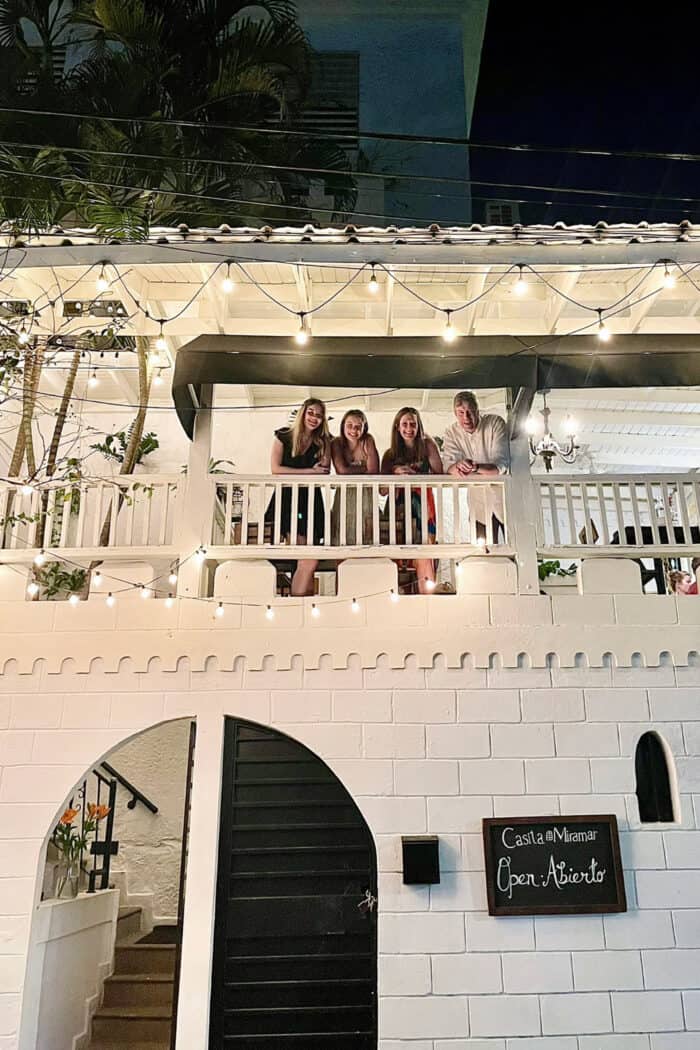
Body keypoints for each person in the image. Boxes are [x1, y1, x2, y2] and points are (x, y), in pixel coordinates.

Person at [265, 398, 331, 596]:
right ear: (303, 413)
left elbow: (325, 470)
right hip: (287, 498)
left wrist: (309, 472)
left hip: (310, 500)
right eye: (311, 412)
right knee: (303, 555)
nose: (314, 418)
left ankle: (301, 603)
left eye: (319, 415)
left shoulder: (323, 440)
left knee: (308, 557)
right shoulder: (284, 436)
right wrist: (310, 471)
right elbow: (276, 469)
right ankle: (298, 604)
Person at [381, 407, 443, 594]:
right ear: (397, 428)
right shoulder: (390, 455)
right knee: (396, 554)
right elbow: (382, 490)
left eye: (413, 424)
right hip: (397, 507)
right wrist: (395, 473)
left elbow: (440, 475)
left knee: (424, 552)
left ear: (418, 426)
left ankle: (427, 601)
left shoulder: (427, 446)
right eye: (405, 424)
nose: (409, 428)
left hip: (423, 505)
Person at [442, 390, 509, 541]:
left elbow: (500, 467)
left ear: (477, 410)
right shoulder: (451, 433)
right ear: (455, 414)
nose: (466, 417)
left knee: (515, 547)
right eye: (461, 413)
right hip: (478, 502)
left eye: (470, 412)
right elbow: (448, 468)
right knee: (482, 551)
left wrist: (474, 468)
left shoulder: (494, 423)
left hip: (506, 499)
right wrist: (458, 465)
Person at [330, 409, 380, 545]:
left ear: (364, 428)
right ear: (343, 425)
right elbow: (342, 471)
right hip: (345, 493)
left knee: (367, 531)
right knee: (342, 531)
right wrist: (364, 468)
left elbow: (374, 471)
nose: (354, 429)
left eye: (358, 426)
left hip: (366, 493)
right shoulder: (336, 443)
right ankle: (340, 565)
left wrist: (353, 469)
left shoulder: (368, 440)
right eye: (350, 425)